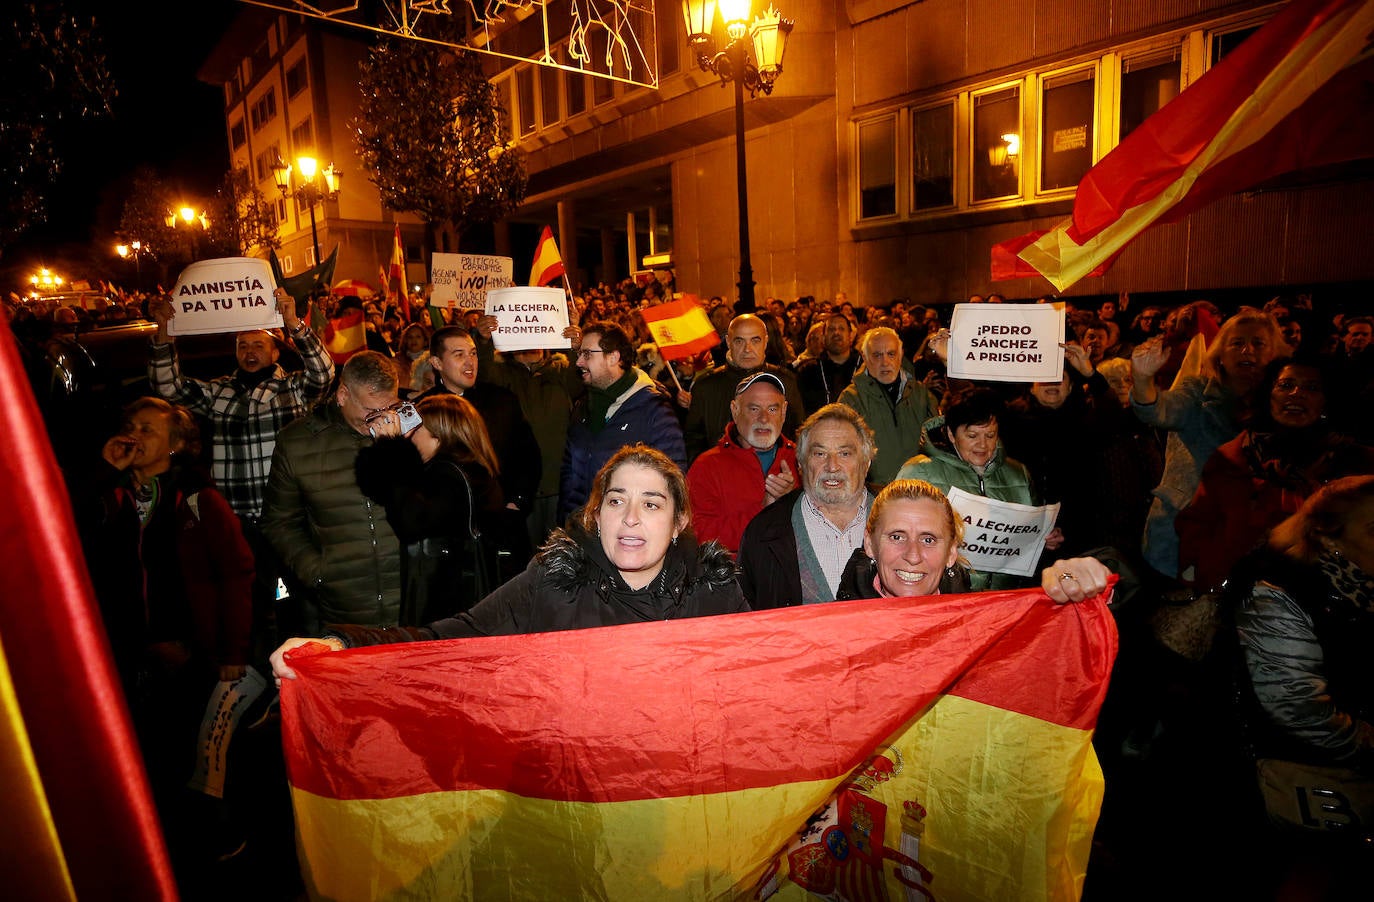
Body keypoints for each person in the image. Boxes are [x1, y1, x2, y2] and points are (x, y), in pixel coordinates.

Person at [269, 445, 747, 676]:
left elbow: (763, 674)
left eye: (652, 504)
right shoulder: (554, 580)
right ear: (596, 513)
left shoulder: (714, 592)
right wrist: (342, 646)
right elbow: (454, 638)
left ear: (680, 520)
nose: (631, 519)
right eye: (616, 501)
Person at [76, 398, 254, 858]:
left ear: (176, 445)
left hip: (183, 653)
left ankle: (199, 845)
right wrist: (102, 471)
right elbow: (67, 530)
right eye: (130, 425)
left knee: (185, 755)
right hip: (122, 652)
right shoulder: (108, 495)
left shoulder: (197, 500)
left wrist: (231, 653)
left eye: (149, 430)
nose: (135, 435)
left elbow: (234, 574)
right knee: (133, 756)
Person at [148, 287, 333, 644]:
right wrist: (162, 334)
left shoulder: (292, 389)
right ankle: (253, 663)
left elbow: (323, 374)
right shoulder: (218, 391)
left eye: (258, 345)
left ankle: (294, 651)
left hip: (282, 520)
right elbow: (166, 387)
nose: (249, 352)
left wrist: (294, 323)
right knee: (245, 598)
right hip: (235, 521)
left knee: (287, 594)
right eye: (242, 346)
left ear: (276, 351)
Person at [1228, 476, 1374, 895]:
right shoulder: (1278, 590)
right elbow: (1298, 708)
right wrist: (1367, 742)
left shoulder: (1356, 583)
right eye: (1373, 528)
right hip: (1296, 776)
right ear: (1329, 537)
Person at [1176, 358, 1374, 592]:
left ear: (1326, 403)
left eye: (1311, 388)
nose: (1296, 394)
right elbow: (1198, 521)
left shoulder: (1357, 462)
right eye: (1285, 385)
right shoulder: (1234, 456)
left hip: (1325, 601)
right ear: (1269, 396)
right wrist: (1199, 572)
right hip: (1234, 595)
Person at [1131, 308, 1287, 578]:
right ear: (1220, 353)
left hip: (1254, 540)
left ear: (1275, 352)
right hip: (1181, 531)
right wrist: (1143, 379)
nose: (1247, 350)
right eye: (1237, 343)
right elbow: (1159, 410)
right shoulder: (1197, 392)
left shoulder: (1283, 405)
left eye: (1258, 343)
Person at [260, 351, 404, 632]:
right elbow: (278, 522)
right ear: (342, 395)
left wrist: (397, 451)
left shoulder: (407, 430)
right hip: (342, 609)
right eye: (369, 410)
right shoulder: (298, 442)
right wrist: (318, 572)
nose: (380, 418)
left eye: (389, 407)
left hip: (409, 605)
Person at [354, 395, 505, 626]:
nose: (411, 435)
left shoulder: (449, 477)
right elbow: (381, 489)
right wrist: (387, 450)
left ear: (438, 436)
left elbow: (410, 522)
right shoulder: (471, 471)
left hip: (448, 604)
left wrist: (393, 448)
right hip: (462, 602)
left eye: (416, 427)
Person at [835, 479, 1111, 603]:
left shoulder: (980, 627)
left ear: (951, 552)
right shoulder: (834, 631)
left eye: (929, 539)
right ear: (870, 545)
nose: (913, 555)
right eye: (897, 536)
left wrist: (1082, 592)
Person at [897, 388, 1062, 589]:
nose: (982, 445)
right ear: (951, 434)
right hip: (946, 594)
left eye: (990, 435)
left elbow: (1028, 540)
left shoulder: (1018, 473)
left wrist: (1045, 540)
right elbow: (897, 535)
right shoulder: (919, 473)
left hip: (1004, 597)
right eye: (972, 435)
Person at [737, 404, 876, 608]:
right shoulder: (764, 532)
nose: (832, 466)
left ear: (866, 463)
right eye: (819, 454)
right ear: (800, 464)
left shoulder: (902, 520)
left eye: (845, 454)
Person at [559, 322, 686, 521]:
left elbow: (673, 479)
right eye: (579, 355)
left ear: (613, 357)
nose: (579, 362)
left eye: (587, 354)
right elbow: (568, 472)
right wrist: (567, 519)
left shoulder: (654, 409)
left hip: (627, 533)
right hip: (580, 532)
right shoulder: (582, 408)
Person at [686, 372, 798, 553]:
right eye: (754, 409)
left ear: (784, 412)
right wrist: (763, 510)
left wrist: (795, 502)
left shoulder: (803, 461)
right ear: (735, 411)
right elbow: (697, 535)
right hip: (734, 578)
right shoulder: (707, 466)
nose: (764, 418)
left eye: (772, 409)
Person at [683, 313, 805, 461]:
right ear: (728, 342)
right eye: (739, 341)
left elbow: (798, 433)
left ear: (766, 342)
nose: (747, 349)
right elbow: (693, 440)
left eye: (755, 340)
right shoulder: (705, 387)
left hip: (775, 478)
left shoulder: (787, 382)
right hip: (720, 477)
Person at [836, 326, 936, 487]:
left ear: (901, 354)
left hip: (919, 489)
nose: (885, 362)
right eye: (877, 355)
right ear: (865, 357)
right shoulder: (851, 398)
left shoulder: (921, 395)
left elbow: (936, 448)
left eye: (891, 354)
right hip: (874, 492)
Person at [796, 313, 861, 413]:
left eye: (841, 328)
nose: (836, 333)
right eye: (831, 329)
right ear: (823, 337)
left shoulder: (864, 367)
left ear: (850, 335)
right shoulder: (808, 371)